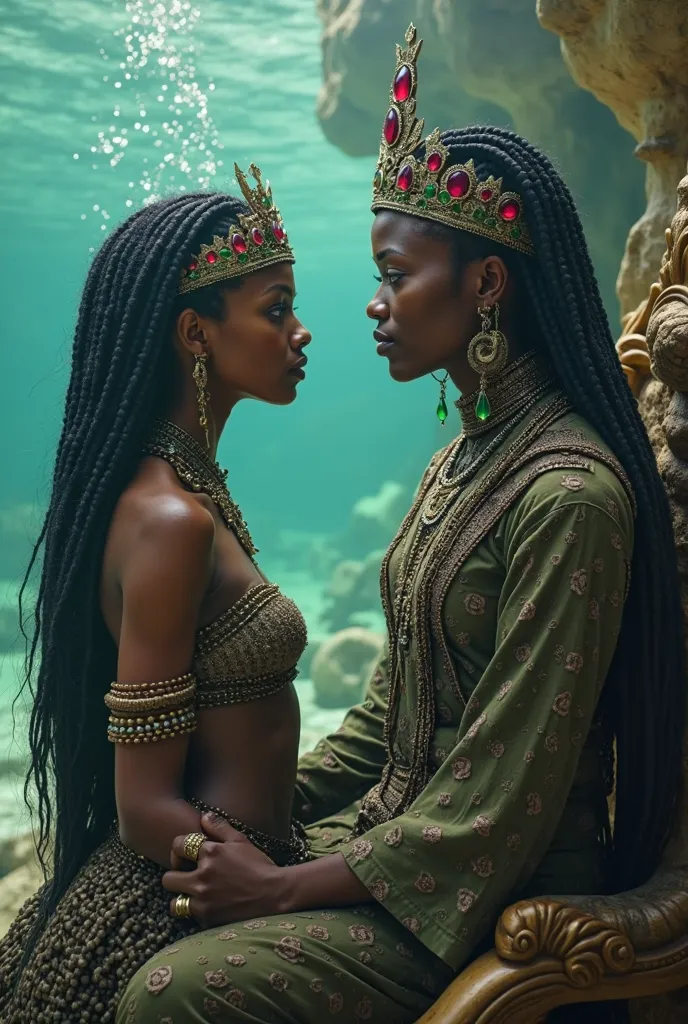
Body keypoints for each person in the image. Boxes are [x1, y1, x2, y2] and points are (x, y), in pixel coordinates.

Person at [119, 24, 687, 1024]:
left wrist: (282, 885)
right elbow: (392, 718)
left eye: (395, 276)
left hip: (491, 899)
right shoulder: (456, 466)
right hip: (400, 851)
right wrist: (249, 822)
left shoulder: (569, 495)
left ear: (485, 285)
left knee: (174, 993)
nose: (374, 307)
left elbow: (499, 799)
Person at [0, 165, 312, 1023]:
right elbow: (143, 809)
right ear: (195, 333)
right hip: (192, 899)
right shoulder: (169, 519)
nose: (301, 333)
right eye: (276, 309)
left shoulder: (186, 485)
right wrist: (273, 883)